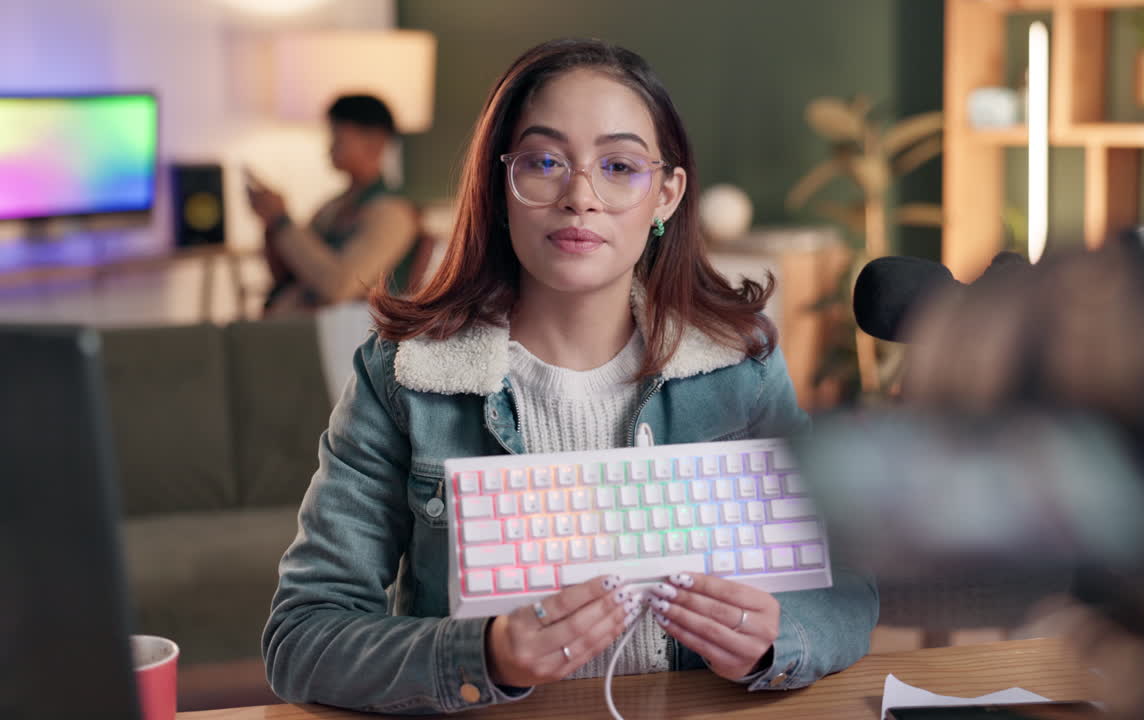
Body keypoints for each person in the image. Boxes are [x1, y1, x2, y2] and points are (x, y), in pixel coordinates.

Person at [261, 38, 878, 714]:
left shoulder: (740, 366)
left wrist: (776, 640)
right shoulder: (404, 378)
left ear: (666, 195)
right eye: (545, 162)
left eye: (618, 165)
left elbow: (847, 590)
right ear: (501, 186)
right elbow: (303, 636)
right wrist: (485, 655)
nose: (580, 197)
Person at [248, 94, 423, 315]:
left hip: (342, 336)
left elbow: (339, 286)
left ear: (375, 142)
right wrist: (272, 223)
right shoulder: (331, 208)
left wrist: (282, 221)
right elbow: (290, 272)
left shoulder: (392, 213)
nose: (330, 146)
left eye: (339, 137)